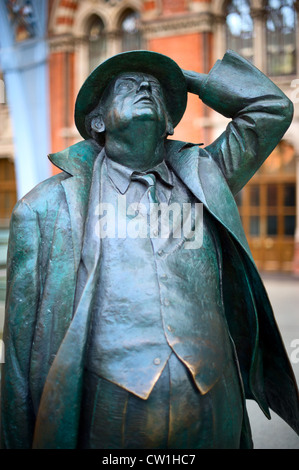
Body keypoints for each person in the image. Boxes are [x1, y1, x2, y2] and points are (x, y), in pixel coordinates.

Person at [1, 50, 298, 449]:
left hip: (215, 404)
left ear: (171, 122)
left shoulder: (208, 177)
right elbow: (19, 357)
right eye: (128, 86)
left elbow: (272, 109)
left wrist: (190, 80)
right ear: (97, 122)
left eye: (156, 90)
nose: (145, 87)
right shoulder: (44, 209)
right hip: (109, 414)